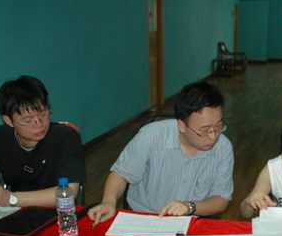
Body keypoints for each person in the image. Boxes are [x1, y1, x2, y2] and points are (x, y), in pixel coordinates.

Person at [88, 81, 233, 223]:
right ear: (182, 125)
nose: (213, 136)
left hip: (193, 221)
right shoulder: (151, 136)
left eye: (218, 126)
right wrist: (108, 202)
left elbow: (221, 199)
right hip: (145, 218)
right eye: (204, 130)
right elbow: (121, 174)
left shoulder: (223, 148)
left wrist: (190, 206)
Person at [0, 75, 85, 208]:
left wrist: (11, 198)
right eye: (27, 120)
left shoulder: (65, 137)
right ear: (9, 121)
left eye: (43, 113)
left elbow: (69, 192)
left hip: (56, 212)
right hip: (16, 210)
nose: (39, 123)